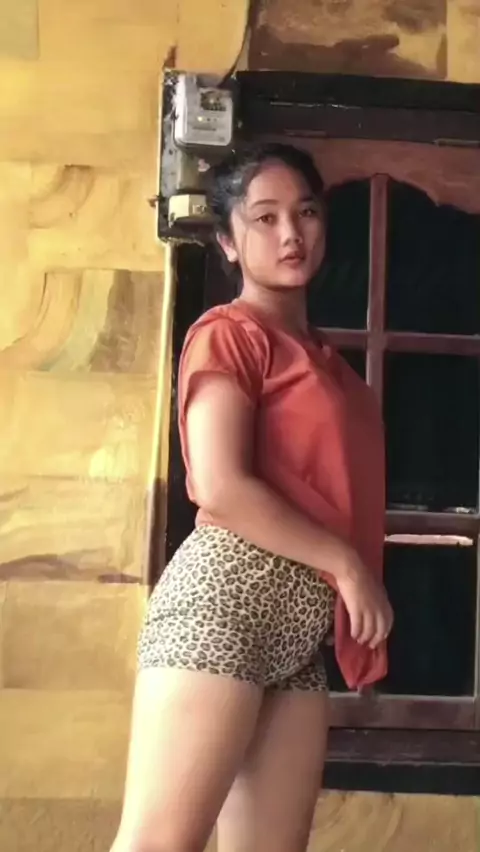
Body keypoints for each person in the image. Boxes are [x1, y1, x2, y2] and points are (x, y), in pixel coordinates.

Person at [110, 142, 393, 852]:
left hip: (297, 632)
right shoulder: (229, 334)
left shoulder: (329, 363)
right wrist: (347, 565)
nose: (290, 233)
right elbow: (219, 485)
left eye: (306, 212)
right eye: (264, 218)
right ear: (229, 242)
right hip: (225, 603)